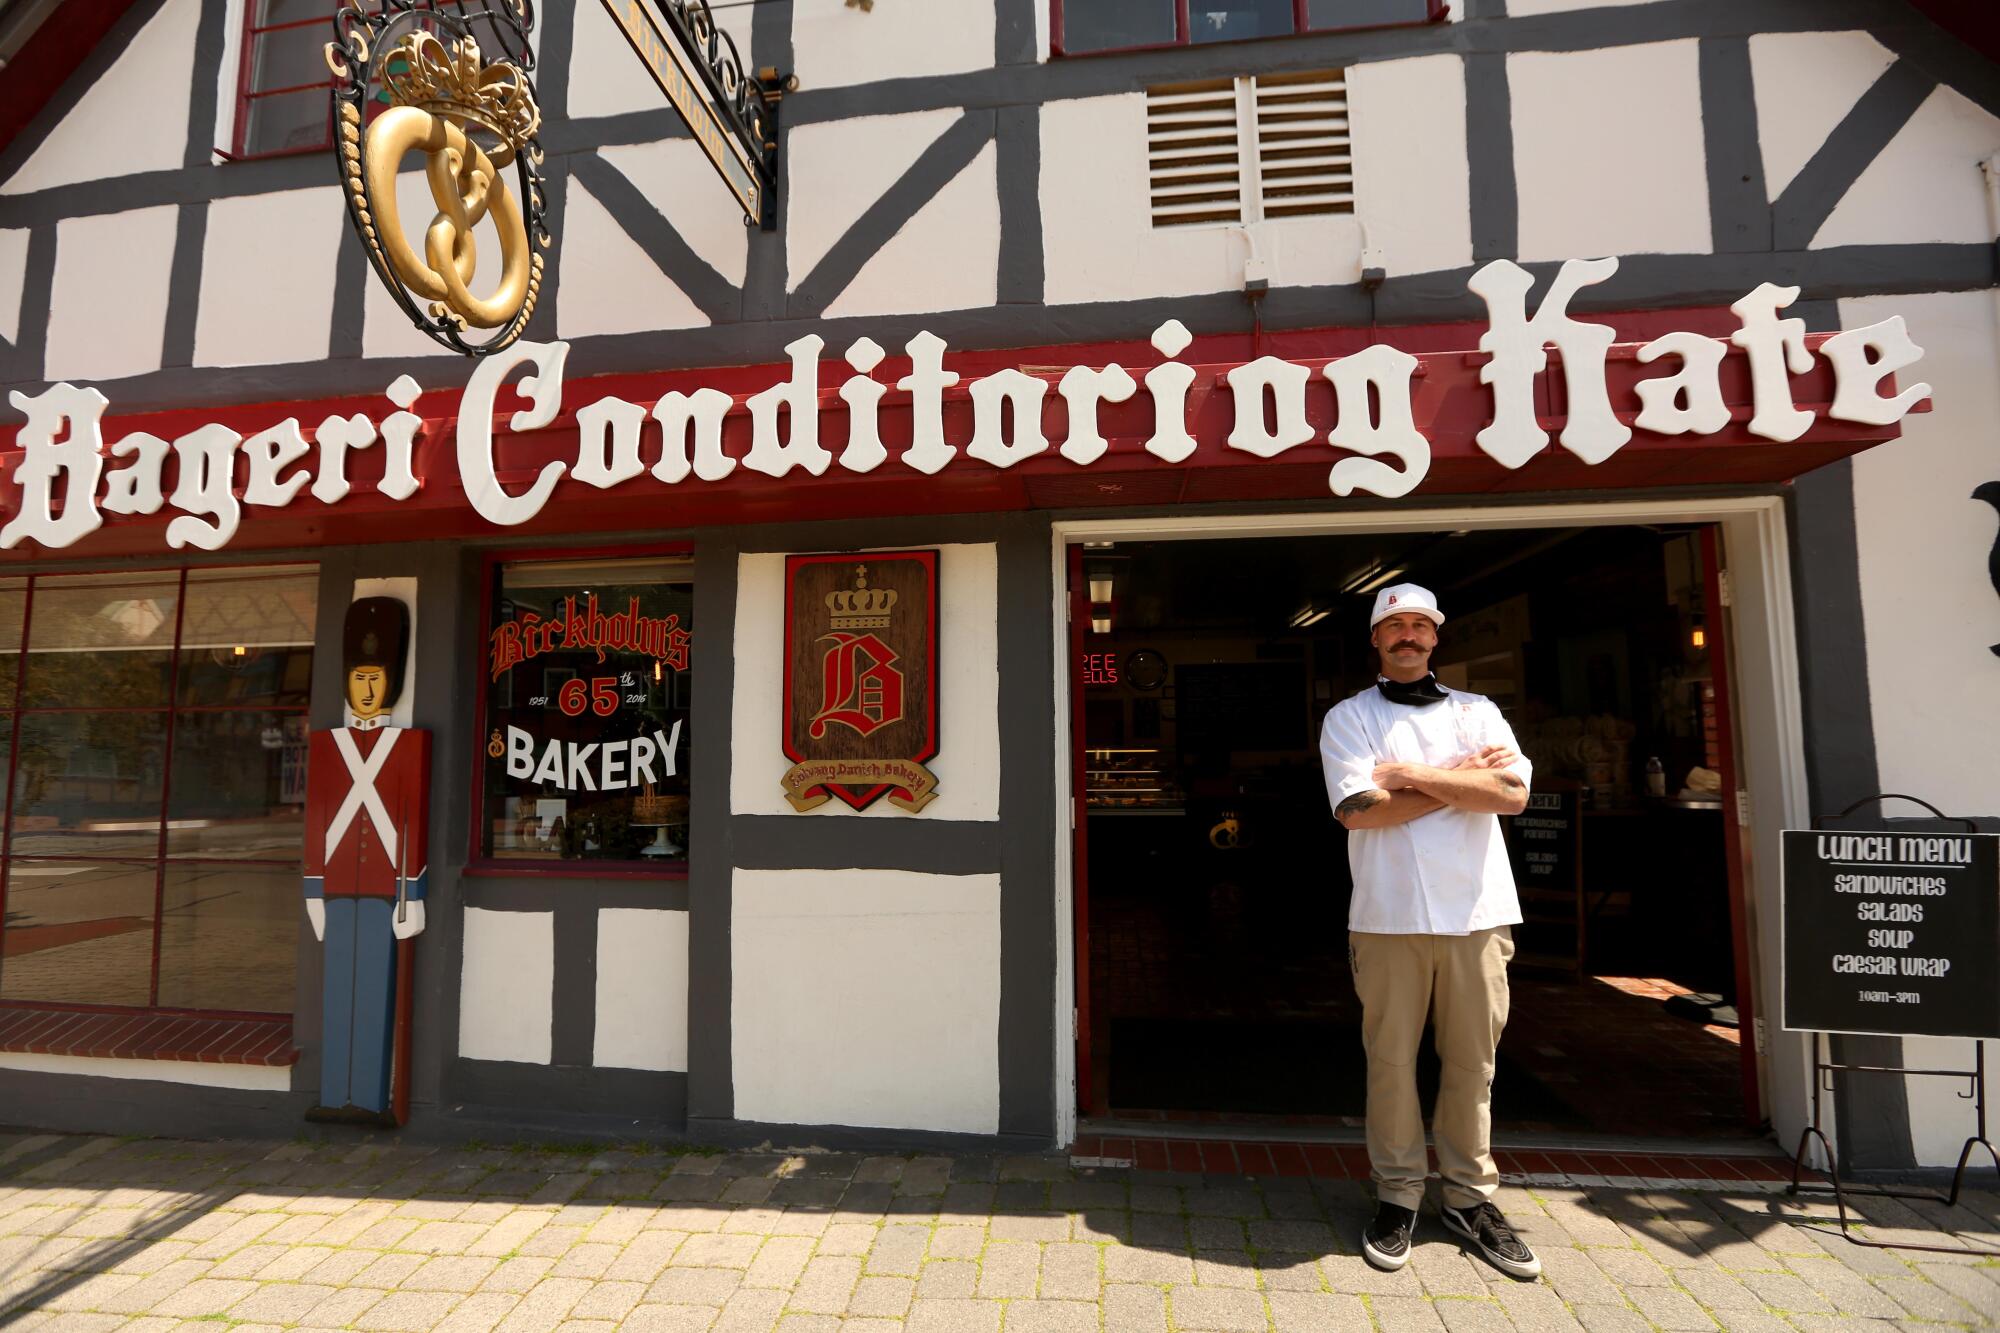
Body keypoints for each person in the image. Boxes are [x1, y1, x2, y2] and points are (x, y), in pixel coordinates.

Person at [1318, 582, 1540, 1280]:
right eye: (1395, 626)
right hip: (1386, 919)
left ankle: (1471, 1198)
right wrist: (1457, 786)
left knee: (1474, 1065)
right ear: (1377, 640)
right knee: (1390, 1063)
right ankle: (1398, 1194)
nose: (1408, 636)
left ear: (1436, 637)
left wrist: (1409, 776)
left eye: (1420, 625)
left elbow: (1512, 795)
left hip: (1478, 915)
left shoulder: (1480, 712)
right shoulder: (1348, 717)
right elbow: (1357, 809)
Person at [304, 595, 431, 1121]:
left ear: (391, 683)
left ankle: (369, 1097)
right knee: (337, 993)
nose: (367, 690)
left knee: (375, 993)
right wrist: (313, 892)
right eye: (359, 680)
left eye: (376, 679)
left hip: (385, 887)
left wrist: (413, 896)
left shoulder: (406, 746)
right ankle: (336, 1095)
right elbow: (317, 821)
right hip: (335, 884)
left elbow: (410, 822)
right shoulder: (326, 746)